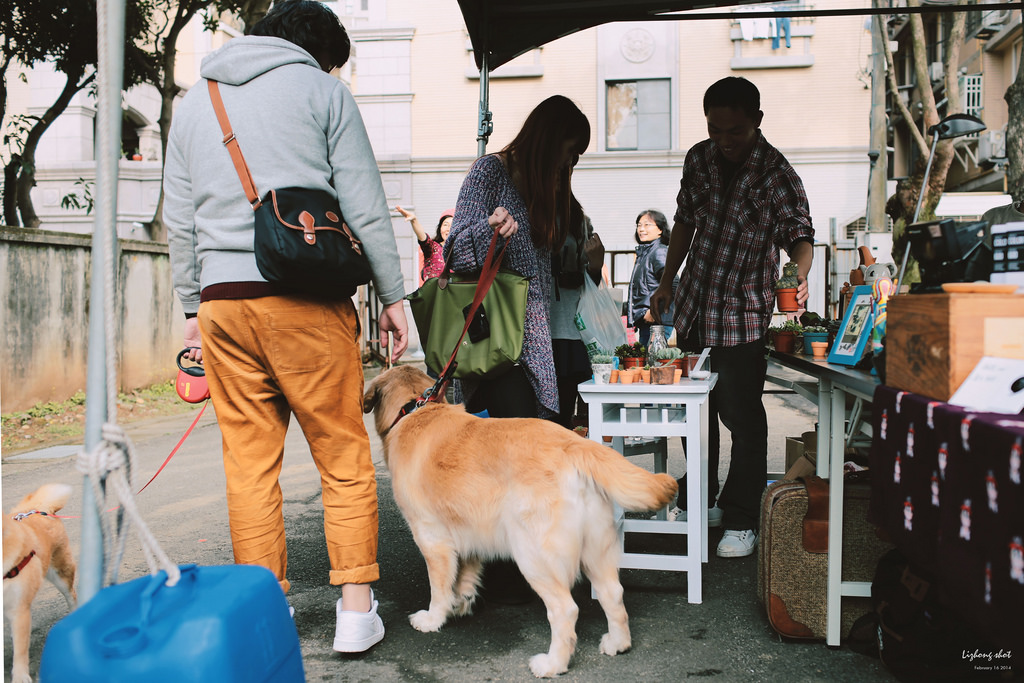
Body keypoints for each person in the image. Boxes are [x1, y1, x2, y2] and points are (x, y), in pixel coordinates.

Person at [163, 0, 408, 653]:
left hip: (221, 305)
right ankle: (356, 612)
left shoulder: (197, 99)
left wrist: (194, 308)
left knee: (248, 464)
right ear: (320, 52)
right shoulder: (324, 91)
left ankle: (266, 611)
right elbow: (364, 201)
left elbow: (178, 217)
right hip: (305, 300)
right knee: (343, 454)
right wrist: (393, 295)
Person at [650, 76, 813, 559]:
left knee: (740, 415)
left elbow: (800, 236)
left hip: (744, 312)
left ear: (757, 121)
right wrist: (666, 281)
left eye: (734, 131)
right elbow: (684, 220)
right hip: (697, 303)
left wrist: (798, 276)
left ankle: (742, 517)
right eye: (715, 129)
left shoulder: (777, 175)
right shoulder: (699, 158)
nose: (724, 140)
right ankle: (707, 499)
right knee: (698, 412)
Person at [444, 94, 590, 601]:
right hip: (498, 345)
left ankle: (524, 566)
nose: (568, 167)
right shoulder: (491, 173)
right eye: (567, 155)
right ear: (547, 141)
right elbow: (453, 250)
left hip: (539, 345)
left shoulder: (550, 191)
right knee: (514, 458)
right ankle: (513, 571)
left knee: (531, 459)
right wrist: (490, 230)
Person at [549, 214, 605, 429]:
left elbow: (590, 282)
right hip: (554, 336)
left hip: (573, 336)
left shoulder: (578, 222)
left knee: (565, 415)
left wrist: (595, 264)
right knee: (556, 415)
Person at [626, 209, 672, 348]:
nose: (641, 229)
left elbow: (672, 282)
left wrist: (654, 311)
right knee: (648, 365)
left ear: (660, 229)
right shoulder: (645, 252)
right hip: (647, 322)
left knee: (654, 365)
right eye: (639, 225)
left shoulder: (659, 251)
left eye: (647, 225)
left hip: (657, 322)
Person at [396, 205, 453, 285]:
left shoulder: (464, 251)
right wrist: (414, 220)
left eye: (452, 225)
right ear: (440, 228)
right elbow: (423, 238)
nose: (448, 228)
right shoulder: (433, 248)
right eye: (445, 225)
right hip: (434, 295)